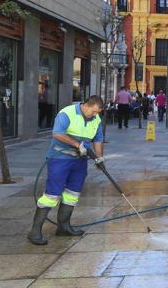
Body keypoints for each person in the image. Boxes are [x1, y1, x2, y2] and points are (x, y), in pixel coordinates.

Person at [27, 95, 104, 245]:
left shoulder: (96, 119)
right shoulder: (67, 113)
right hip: (60, 159)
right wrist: (77, 145)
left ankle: (63, 227)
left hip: (80, 161)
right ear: (86, 106)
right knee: (52, 194)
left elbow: (98, 139)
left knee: (72, 194)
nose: (95, 115)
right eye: (93, 112)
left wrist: (99, 158)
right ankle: (35, 232)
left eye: (97, 113)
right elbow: (57, 133)